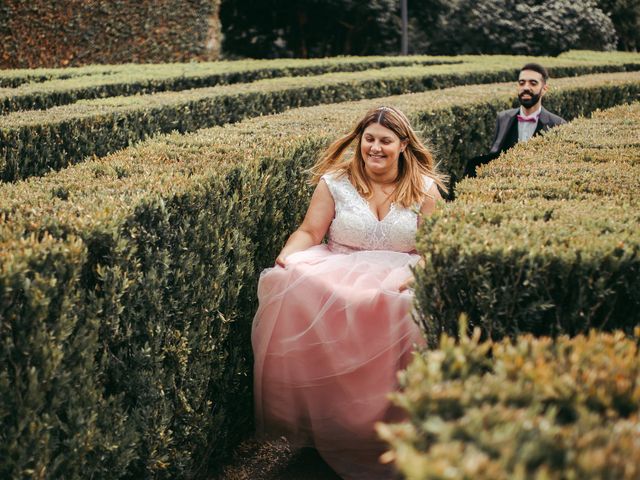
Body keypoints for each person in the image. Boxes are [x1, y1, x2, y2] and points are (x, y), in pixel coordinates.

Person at [251, 106, 447, 479]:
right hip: (340, 269)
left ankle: (394, 428)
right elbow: (310, 231)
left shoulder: (424, 187)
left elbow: (433, 246)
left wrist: (421, 273)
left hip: (399, 273)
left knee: (408, 307)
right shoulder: (335, 182)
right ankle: (338, 424)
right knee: (296, 287)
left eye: (385, 141)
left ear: (403, 145)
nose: (375, 148)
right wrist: (288, 257)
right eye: (369, 139)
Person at [466, 62, 566, 177]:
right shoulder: (503, 117)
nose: (526, 87)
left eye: (533, 83)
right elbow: (494, 154)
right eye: (522, 83)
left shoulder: (558, 124)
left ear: (544, 89)